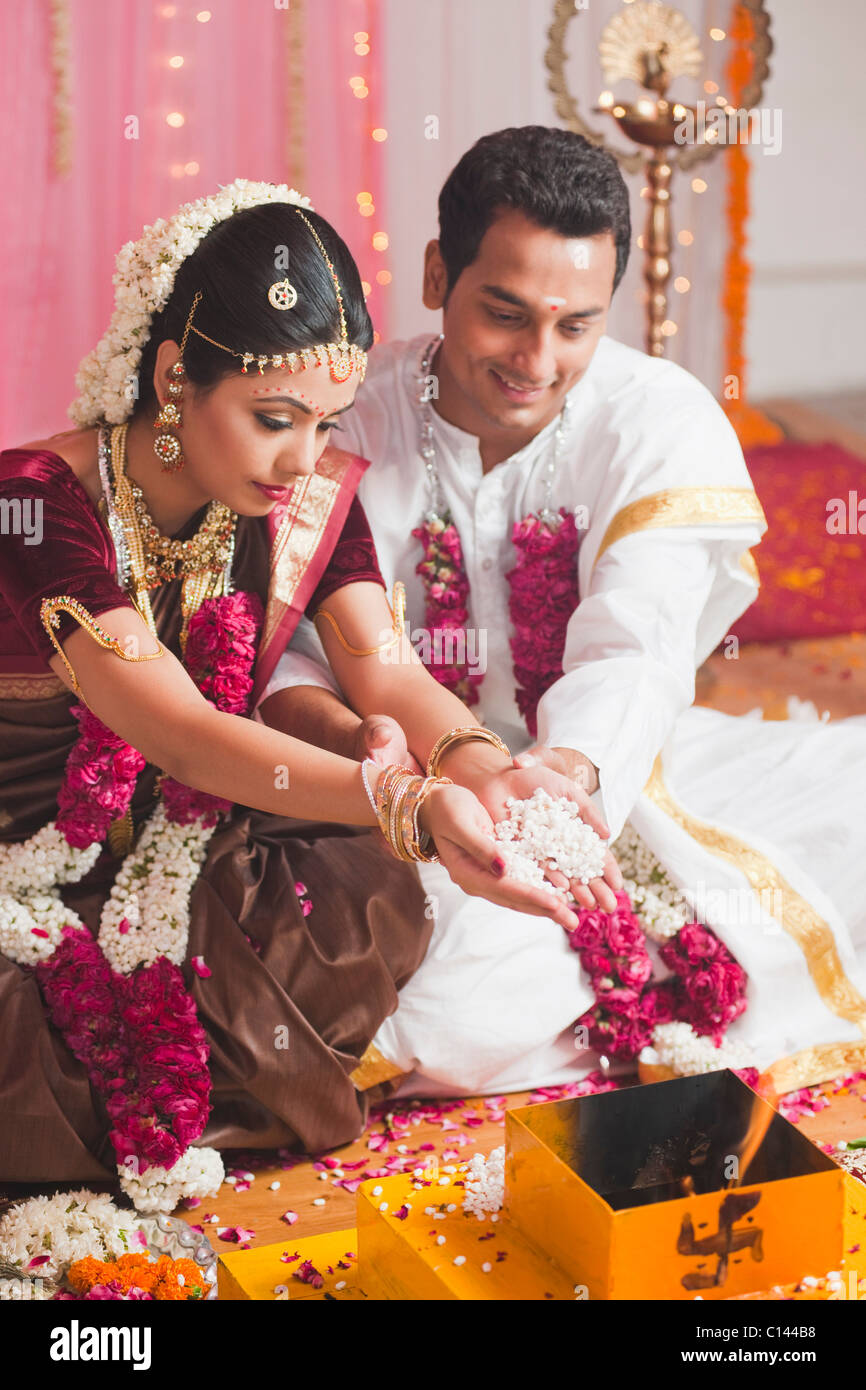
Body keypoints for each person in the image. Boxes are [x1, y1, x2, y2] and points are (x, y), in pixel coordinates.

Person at [0, 179, 621, 1208]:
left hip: (181, 840)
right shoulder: (33, 506)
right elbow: (184, 733)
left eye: (324, 420)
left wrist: (483, 768)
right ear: (171, 376)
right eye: (273, 418)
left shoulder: (306, 493)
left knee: (369, 896)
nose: (301, 460)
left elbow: (383, 668)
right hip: (21, 847)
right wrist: (409, 804)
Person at [267, 128, 866, 1100]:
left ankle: (637, 972)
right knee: (447, 996)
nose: (535, 360)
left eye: (574, 325)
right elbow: (291, 656)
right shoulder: (344, 420)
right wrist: (386, 759)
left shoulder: (657, 417)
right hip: (407, 813)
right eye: (504, 314)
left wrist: (561, 779)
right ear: (435, 275)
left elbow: (639, 649)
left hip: (615, 776)